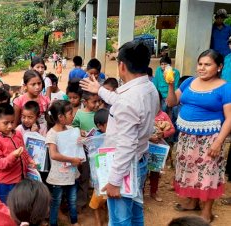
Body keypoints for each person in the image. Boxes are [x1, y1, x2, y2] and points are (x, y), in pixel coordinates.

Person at [80, 41, 159, 225]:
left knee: (120, 220)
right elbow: (124, 104)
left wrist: (114, 181)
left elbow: (126, 145)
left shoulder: (129, 99)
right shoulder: (149, 89)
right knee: (135, 212)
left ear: (121, 66)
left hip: (124, 168)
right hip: (138, 161)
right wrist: (99, 90)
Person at [166, 49, 231, 223]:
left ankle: (207, 211)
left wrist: (218, 142)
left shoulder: (225, 88)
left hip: (210, 139)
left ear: (219, 67)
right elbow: (172, 102)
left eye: (207, 64)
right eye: (200, 64)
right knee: (189, 171)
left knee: (209, 173)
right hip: (187, 137)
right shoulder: (188, 82)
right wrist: (171, 85)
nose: (202, 68)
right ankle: (192, 202)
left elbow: (230, 118)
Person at [0, 103, 35, 204]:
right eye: (6, 123)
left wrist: (30, 160)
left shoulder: (17, 134)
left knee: (19, 205)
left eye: (12, 122)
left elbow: (24, 151)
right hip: (6, 183)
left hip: (21, 178)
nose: (10, 126)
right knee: (7, 208)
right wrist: (13, 156)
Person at [45, 100, 82, 226]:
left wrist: (80, 139)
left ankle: (74, 221)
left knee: (72, 200)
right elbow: (54, 154)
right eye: (70, 113)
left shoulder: (72, 129)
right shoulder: (52, 134)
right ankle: (53, 223)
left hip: (71, 173)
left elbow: (76, 146)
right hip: (58, 177)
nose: (73, 116)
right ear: (61, 117)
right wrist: (72, 160)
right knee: (56, 202)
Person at [72, 91, 100, 211]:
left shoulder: (99, 113)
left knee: (97, 176)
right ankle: (81, 202)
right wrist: (80, 131)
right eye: (94, 102)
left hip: (98, 150)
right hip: (84, 151)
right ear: (85, 102)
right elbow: (73, 127)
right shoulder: (79, 114)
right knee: (84, 175)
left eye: (99, 101)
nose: (97, 104)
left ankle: (98, 201)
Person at [148, 92, 175, 202]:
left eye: (156, 103)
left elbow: (172, 129)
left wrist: (163, 134)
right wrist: (149, 138)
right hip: (144, 147)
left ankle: (153, 192)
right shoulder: (144, 114)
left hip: (158, 149)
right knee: (142, 171)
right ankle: (139, 191)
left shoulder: (163, 115)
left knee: (155, 171)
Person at [89, 108, 109, 226]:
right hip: (99, 176)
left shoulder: (112, 135)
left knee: (107, 199)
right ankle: (98, 221)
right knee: (97, 199)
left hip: (109, 173)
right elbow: (93, 156)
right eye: (109, 124)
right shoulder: (96, 137)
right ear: (100, 126)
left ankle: (106, 217)